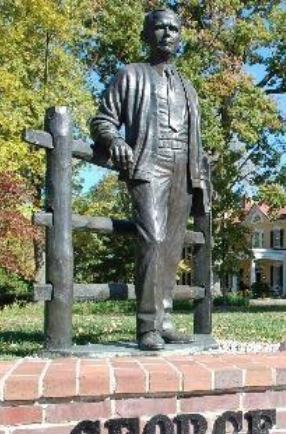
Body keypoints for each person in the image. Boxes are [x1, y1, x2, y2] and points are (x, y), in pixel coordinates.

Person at [91, 8, 209, 350]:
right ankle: (146, 326)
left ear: (180, 36)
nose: (167, 33)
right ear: (147, 34)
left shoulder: (188, 87)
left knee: (172, 249)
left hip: (183, 171)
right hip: (149, 165)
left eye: (173, 28)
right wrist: (114, 141)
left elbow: (194, 136)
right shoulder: (131, 75)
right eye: (159, 27)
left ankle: (165, 320)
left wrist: (198, 177)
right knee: (153, 241)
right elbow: (102, 120)